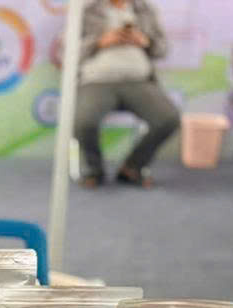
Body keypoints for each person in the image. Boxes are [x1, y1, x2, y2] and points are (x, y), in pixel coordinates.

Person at [74, 0, 180, 188]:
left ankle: (132, 167)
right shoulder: (87, 10)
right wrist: (99, 42)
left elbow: (162, 49)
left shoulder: (145, 10)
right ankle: (94, 170)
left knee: (168, 118)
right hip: (96, 81)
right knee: (83, 122)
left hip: (139, 81)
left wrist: (145, 42)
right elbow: (64, 51)